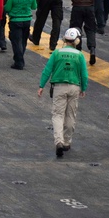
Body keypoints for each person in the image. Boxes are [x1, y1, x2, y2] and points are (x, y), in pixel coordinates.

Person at [38, 28, 88, 158]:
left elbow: (47, 70)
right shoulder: (79, 55)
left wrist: (41, 85)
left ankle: (58, 141)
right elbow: (84, 74)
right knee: (71, 115)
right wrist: (84, 88)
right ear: (77, 40)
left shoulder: (56, 53)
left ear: (65, 40)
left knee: (58, 115)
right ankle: (66, 141)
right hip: (74, 87)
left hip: (59, 87)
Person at [65, 0, 104, 66]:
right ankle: (92, 49)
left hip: (77, 8)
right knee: (91, 29)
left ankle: (78, 51)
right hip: (90, 8)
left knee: (76, 29)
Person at [4, 0, 37, 70]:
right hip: (27, 20)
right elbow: (34, 7)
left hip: (15, 21)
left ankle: (19, 62)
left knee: (16, 41)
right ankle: (19, 57)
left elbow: (7, 8)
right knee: (23, 41)